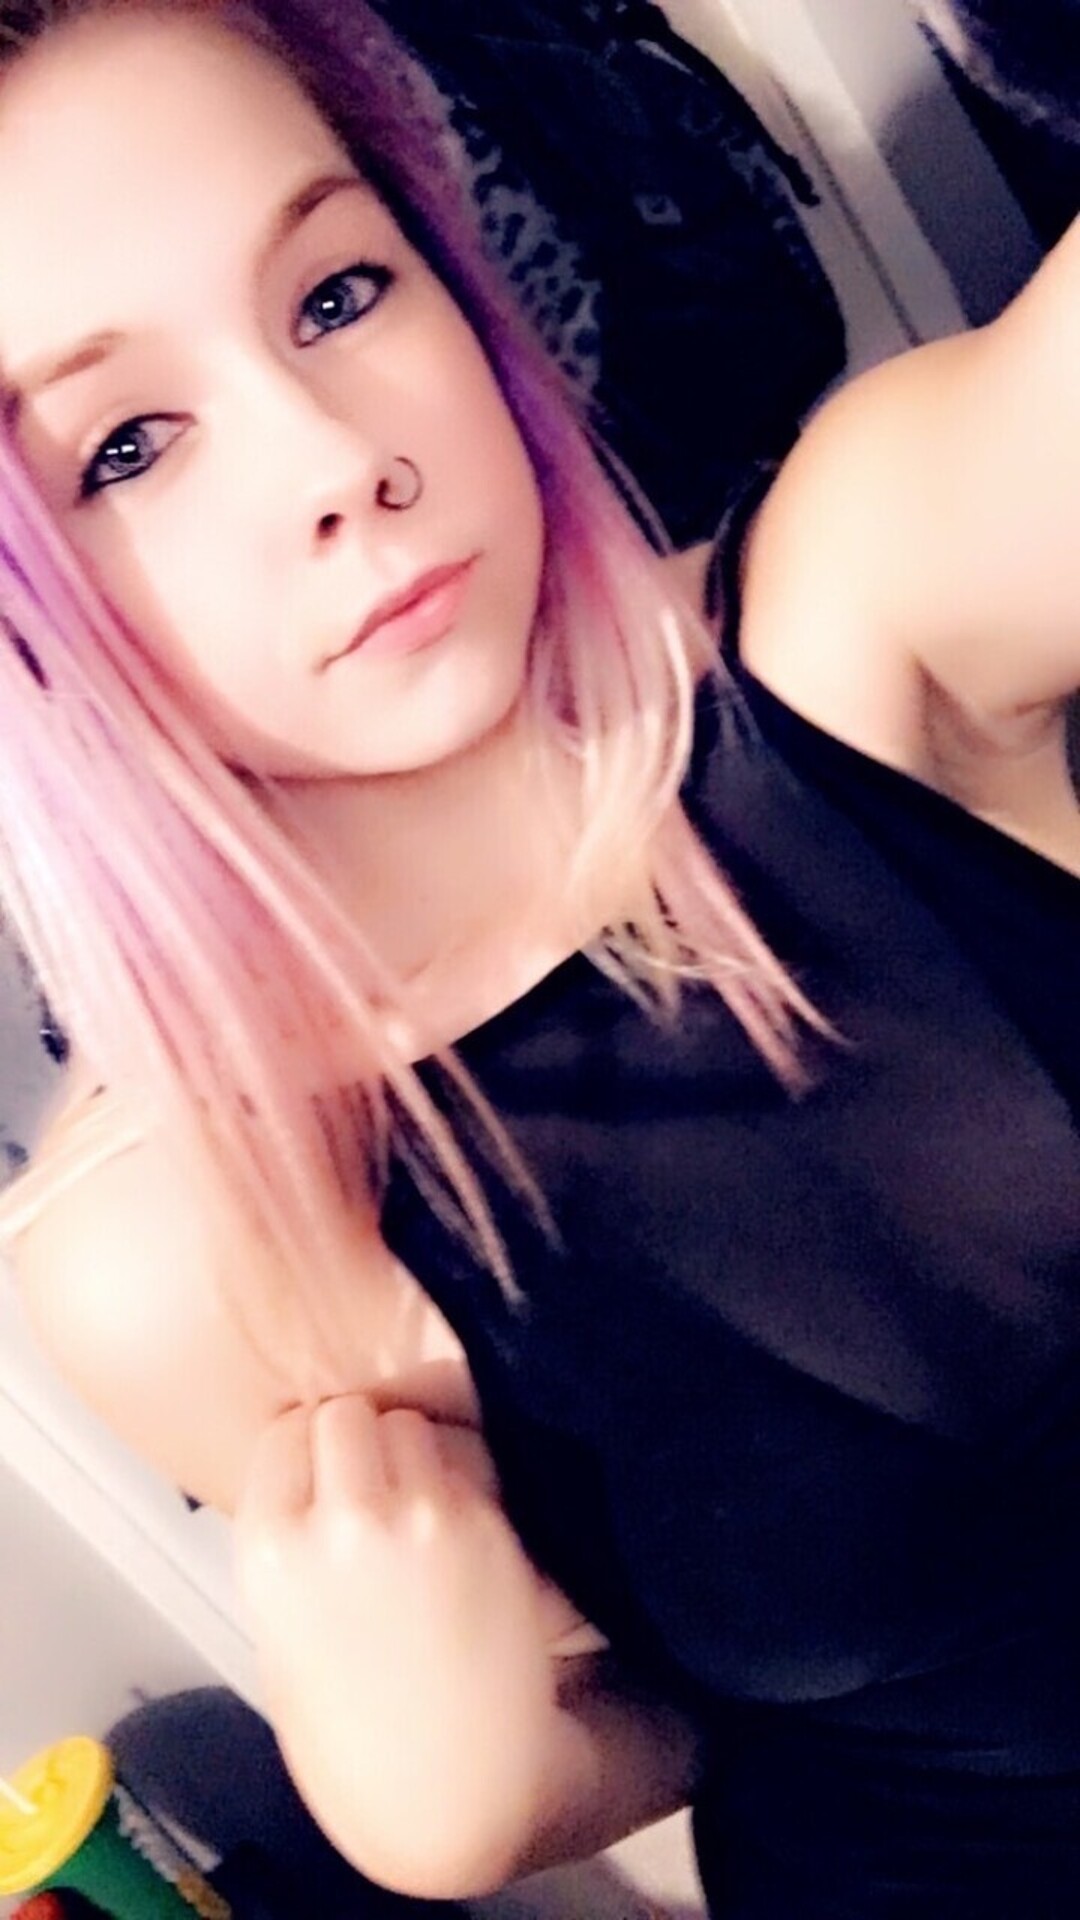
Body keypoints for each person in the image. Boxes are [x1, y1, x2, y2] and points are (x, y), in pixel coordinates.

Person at [0, 2, 1079, 1915]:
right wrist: (465, 1804)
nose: (338, 458)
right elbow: (687, 1713)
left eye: (337, 295)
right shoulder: (174, 1242)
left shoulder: (857, 610)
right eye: (129, 447)